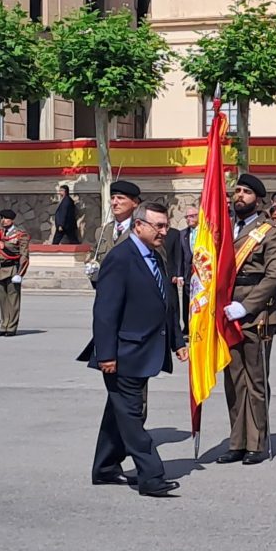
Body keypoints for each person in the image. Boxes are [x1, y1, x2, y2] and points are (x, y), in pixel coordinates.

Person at [84, 202, 187, 497]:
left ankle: (104, 468)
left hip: (145, 350)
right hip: (122, 353)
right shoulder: (121, 257)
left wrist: (177, 341)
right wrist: (106, 354)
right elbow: (105, 311)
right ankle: (151, 475)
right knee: (131, 415)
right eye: (159, 226)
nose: (164, 232)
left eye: (166, 226)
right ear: (139, 226)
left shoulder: (156, 255)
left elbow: (166, 301)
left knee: (117, 413)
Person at [217, 174, 276, 466]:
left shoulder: (271, 231)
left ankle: (256, 442)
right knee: (233, 381)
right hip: (227, 310)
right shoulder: (225, 229)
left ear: (258, 199)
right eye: (237, 191)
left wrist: (245, 307)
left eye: (245, 192)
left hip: (256, 314)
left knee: (255, 380)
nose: (239, 196)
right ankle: (237, 441)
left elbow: (275, 275)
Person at [85, 180, 141, 287]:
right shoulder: (102, 232)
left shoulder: (140, 231)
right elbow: (94, 257)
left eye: (120, 198)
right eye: (112, 198)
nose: (114, 203)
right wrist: (92, 268)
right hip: (105, 292)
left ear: (135, 203)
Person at [0, 209, 30, 337]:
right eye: (2, 218)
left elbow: (24, 254)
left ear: (12, 220)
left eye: (6, 218)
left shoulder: (20, 234)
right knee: (3, 300)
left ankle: (12, 327)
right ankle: (4, 325)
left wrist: (20, 273)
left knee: (13, 300)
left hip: (12, 269)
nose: (3, 220)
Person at [178, 206, 199, 335]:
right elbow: (179, 255)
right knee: (186, 301)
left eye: (192, 216)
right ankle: (187, 328)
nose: (188, 219)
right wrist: (179, 275)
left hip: (202, 272)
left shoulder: (205, 232)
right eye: (187, 217)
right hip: (187, 273)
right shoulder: (182, 234)